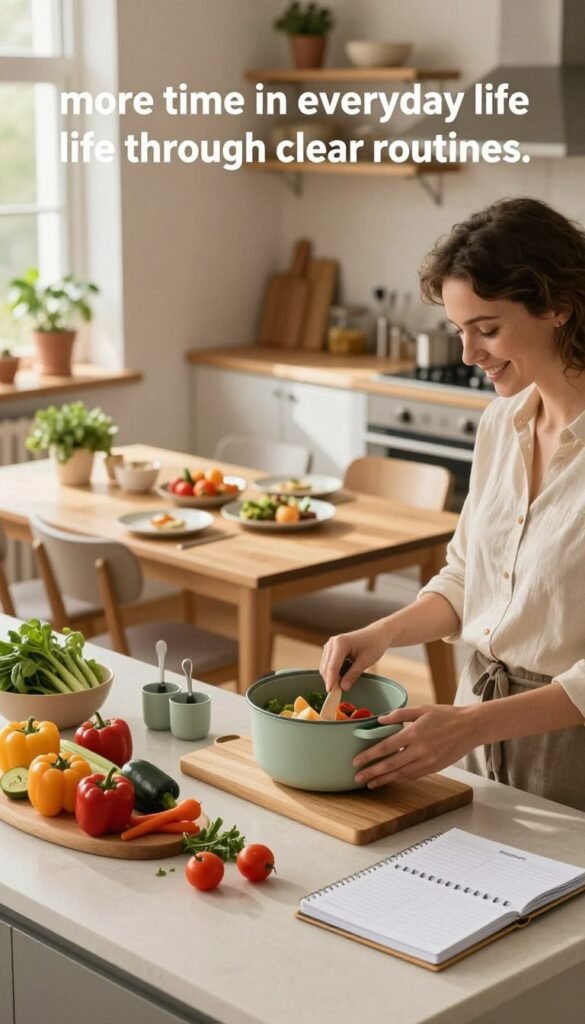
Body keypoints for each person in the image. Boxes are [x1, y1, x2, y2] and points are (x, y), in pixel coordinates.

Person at [320, 197, 585, 811]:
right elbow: (468, 576)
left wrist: (471, 726)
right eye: (458, 331)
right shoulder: (500, 424)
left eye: (488, 330)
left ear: (558, 307)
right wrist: (384, 631)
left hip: (568, 750)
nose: (469, 356)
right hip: (474, 731)